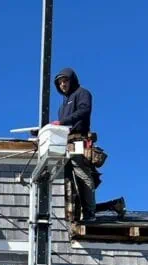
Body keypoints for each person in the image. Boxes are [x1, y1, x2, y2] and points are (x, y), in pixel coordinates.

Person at [52, 68, 99, 220]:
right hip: (66, 142)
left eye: (65, 81)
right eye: (60, 83)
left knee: (81, 173)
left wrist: (62, 122)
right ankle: (73, 212)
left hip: (79, 140)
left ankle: (89, 212)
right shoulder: (62, 106)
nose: (63, 85)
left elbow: (85, 111)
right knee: (66, 177)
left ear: (72, 80)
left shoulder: (82, 93)